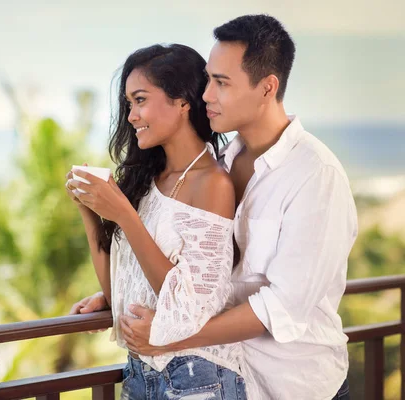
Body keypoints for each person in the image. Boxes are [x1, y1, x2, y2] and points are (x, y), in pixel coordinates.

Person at [72, 15, 357, 400]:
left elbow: (279, 307)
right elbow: (206, 274)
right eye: (208, 80)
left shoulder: (314, 175)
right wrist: (118, 296)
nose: (206, 95)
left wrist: (170, 334)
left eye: (221, 83)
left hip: (295, 386)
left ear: (267, 87)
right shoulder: (219, 162)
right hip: (227, 376)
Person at [65, 43, 249, 399]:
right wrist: (90, 213)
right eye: (128, 104)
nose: (131, 115)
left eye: (140, 100)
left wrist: (123, 215)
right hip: (139, 374)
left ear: (182, 102)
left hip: (197, 375)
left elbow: (190, 307)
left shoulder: (213, 183)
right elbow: (115, 287)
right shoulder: (150, 181)